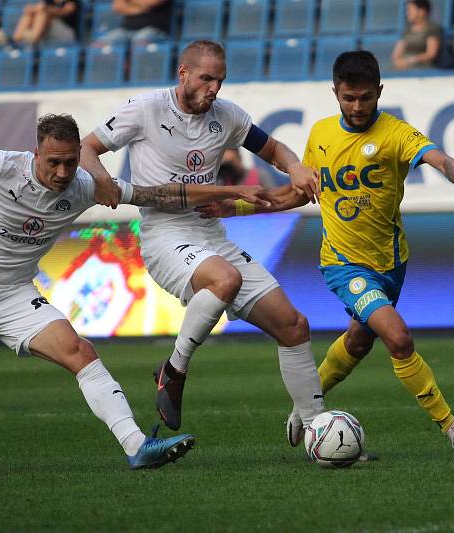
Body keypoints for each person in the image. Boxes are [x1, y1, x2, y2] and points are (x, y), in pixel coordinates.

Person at [0, 113, 269, 467]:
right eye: (52, 162)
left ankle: (136, 446)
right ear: (35, 153)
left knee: (81, 353)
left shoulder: (83, 186)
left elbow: (158, 195)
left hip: (14, 296)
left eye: (70, 162)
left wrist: (232, 191)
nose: (61, 173)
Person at [197, 50, 454, 457]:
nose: (356, 106)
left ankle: (304, 406)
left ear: (380, 92)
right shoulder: (321, 135)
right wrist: (239, 206)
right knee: (398, 338)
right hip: (342, 263)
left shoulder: (394, 133)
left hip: (392, 261)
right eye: (348, 98)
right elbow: (297, 194)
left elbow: (435, 156)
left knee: (357, 341)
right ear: (335, 93)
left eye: (366, 98)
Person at [80, 40, 326, 438]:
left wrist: (295, 166)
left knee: (294, 325)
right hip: (164, 235)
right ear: (183, 74)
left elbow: (273, 148)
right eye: (206, 78)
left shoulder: (227, 116)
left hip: (210, 234)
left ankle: (317, 429)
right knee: (224, 280)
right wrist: (102, 178)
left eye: (220, 80)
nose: (214, 88)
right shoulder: (146, 108)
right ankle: (175, 371)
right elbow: (86, 148)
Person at [0, 0, 80, 47]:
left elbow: (65, 12)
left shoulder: (71, 1)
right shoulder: (48, 1)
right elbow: (39, 7)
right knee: (29, 14)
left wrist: (46, 10)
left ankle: (33, 38)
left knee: (42, 14)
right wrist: (33, 9)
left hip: (66, 34)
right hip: (47, 33)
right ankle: (15, 40)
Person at [391, 0, 442, 70]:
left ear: (422, 11)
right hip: (403, 70)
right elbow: (396, 54)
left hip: (422, 69)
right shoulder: (407, 31)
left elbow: (431, 53)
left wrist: (410, 60)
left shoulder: (432, 29)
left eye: (410, 10)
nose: (407, 13)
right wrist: (398, 62)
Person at [93, 0, 172, 45]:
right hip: (126, 29)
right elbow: (116, 6)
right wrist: (138, 9)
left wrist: (129, 2)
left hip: (155, 30)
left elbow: (151, 2)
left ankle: (135, 72)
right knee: (99, 44)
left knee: (140, 41)